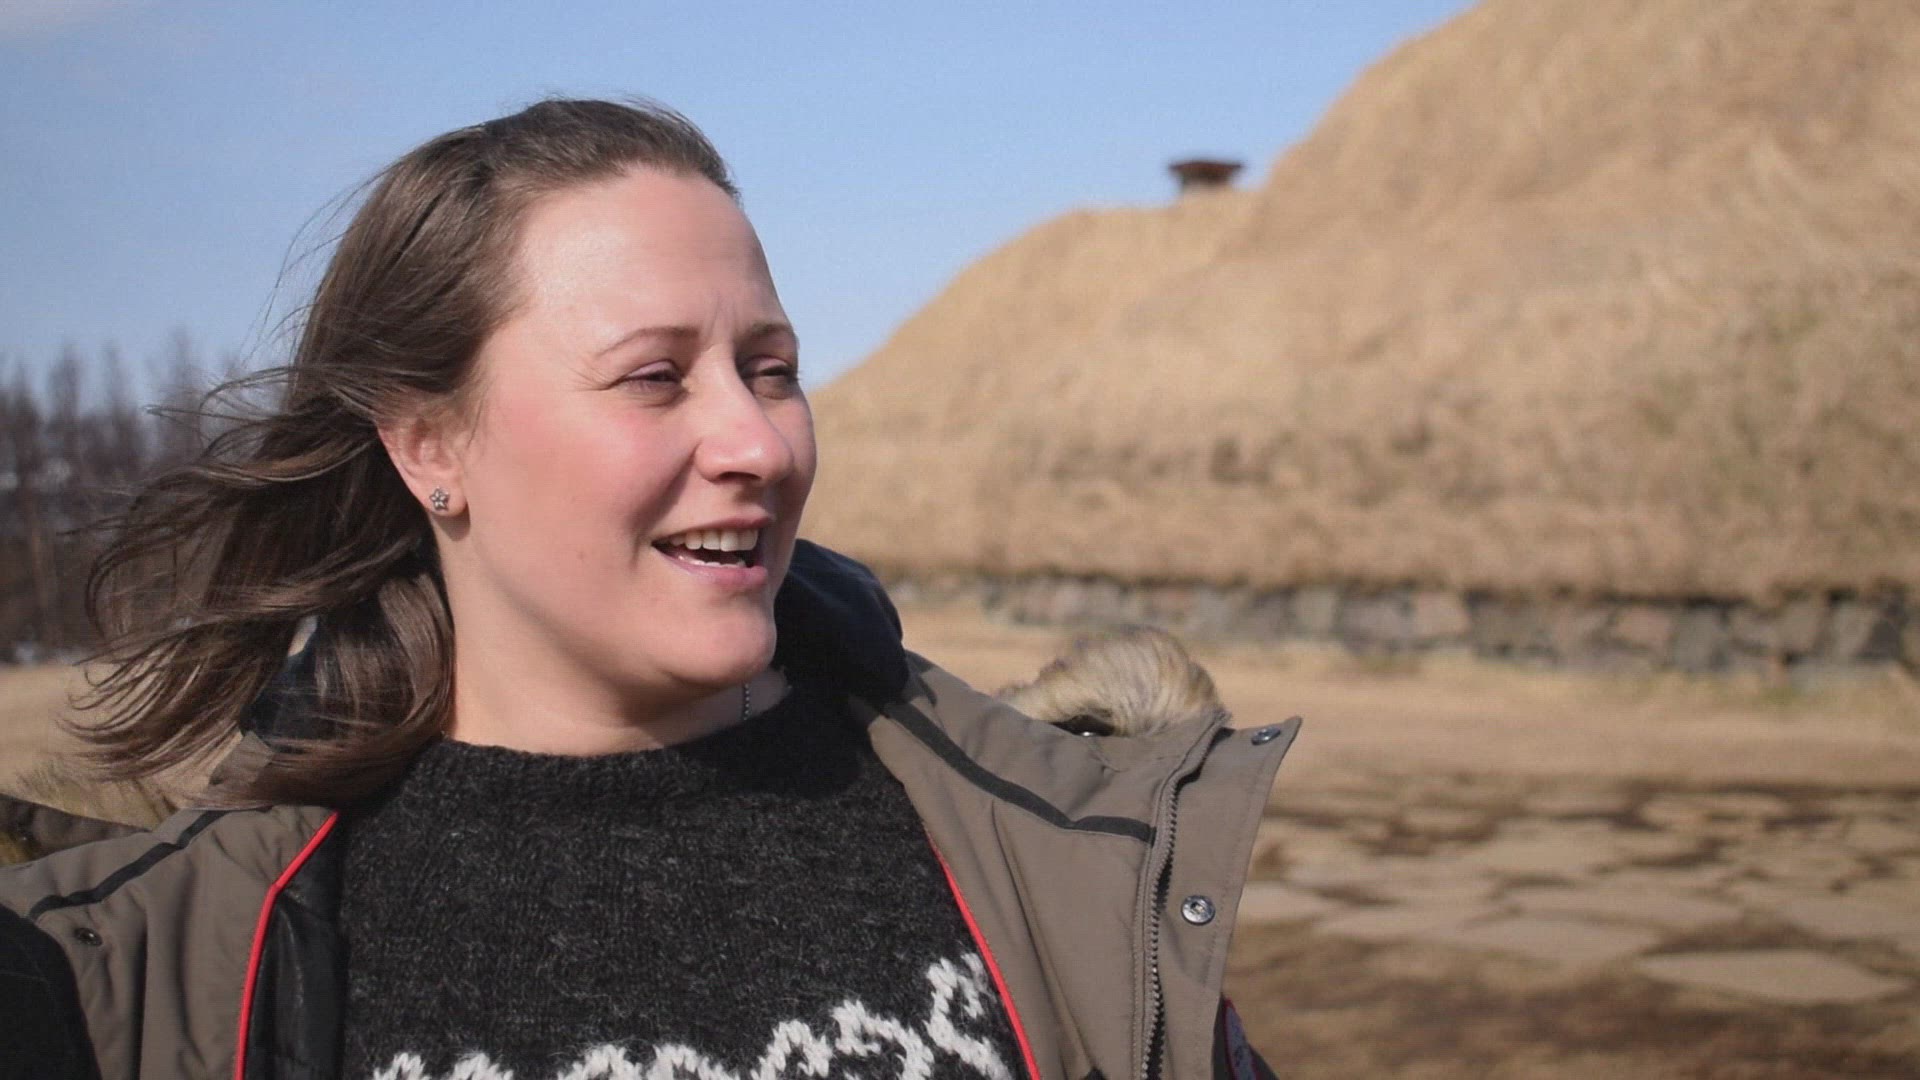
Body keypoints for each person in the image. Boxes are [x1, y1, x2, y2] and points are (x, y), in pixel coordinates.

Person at [0, 99, 1293, 1080]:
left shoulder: (1069, 868)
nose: (757, 443)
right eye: (654, 377)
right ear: (429, 446)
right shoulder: (130, 981)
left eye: (771, 369)